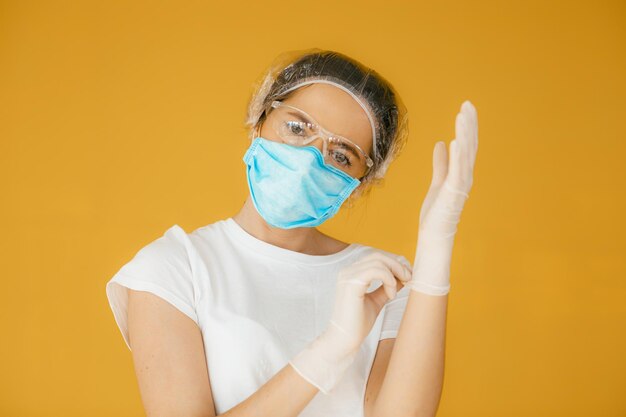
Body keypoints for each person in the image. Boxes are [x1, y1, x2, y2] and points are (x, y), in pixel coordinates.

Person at [105, 48, 479, 417]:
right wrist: (331, 348)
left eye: (341, 155)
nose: (310, 160)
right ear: (258, 123)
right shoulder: (174, 268)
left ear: (359, 184)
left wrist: (434, 251)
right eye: (297, 127)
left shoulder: (384, 282)